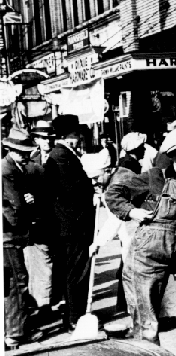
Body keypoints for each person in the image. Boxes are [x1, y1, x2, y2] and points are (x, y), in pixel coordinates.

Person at [104, 127, 176, 347]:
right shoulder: (155, 178)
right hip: (147, 260)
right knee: (148, 328)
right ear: (172, 156)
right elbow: (112, 194)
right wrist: (132, 212)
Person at [44, 114, 95, 333]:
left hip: (70, 225)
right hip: (73, 226)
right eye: (75, 134)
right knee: (77, 272)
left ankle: (73, 313)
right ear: (68, 136)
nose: (79, 138)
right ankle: (76, 316)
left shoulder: (63, 154)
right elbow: (70, 191)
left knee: (71, 271)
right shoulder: (61, 156)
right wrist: (91, 186)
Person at [89, 132, 147, 314]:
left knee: (135, 275)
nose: (95, 183)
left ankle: (139, 317)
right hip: (130, 233)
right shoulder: (117, 176)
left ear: (107, 171)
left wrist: (98, 242)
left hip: (136, 233)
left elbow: (115, 219)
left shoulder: (121, 181)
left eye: (97, 178)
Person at [3, 128, 45, 350]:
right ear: (12, 149)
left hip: (11, 235)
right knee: (17, 283)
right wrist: (26, 206)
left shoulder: (15, 168)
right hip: (8, 236)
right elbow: (14, 206)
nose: (27, 156)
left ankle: (14, 328)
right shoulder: (6, 170)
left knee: (14, 283)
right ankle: (15, 334)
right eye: (22, 152)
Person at [24, 121, 56, 321]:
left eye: (49, 137)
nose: (47, 141)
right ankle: (40, 302)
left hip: (52, 218)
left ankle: (47, 302)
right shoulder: (31, 160)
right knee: (35, 263)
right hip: (35, 220)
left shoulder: (58, 157)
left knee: (48, 263)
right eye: (43, 138)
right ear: (36, 140)